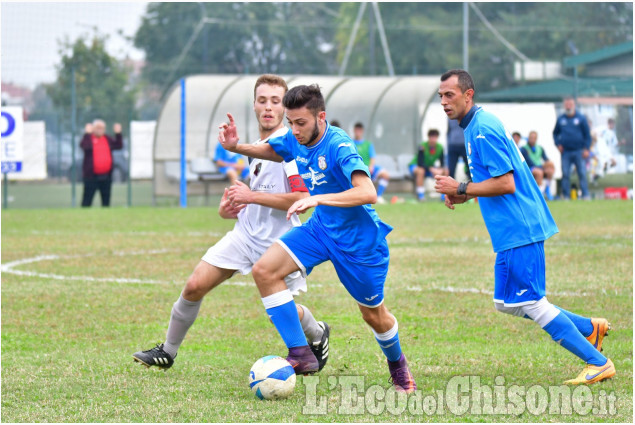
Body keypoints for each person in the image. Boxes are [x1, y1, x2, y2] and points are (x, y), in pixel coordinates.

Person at [218, 84, 416, 393]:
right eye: (291, 122)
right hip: (321, 229)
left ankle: (399, 368)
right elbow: (274, 149)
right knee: (265, 271)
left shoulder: (338, 145)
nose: (294, 130)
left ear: (320, 117)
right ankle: (301, 352)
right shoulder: (293, 137)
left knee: (373, 315)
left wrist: (319, 199)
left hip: (359, 242)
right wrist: (236, 147)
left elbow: (368, 192)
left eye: (301, 123)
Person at [133, 75, 330, 372]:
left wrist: (251, 196)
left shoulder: (288, 146)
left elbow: (299, 198)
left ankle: (317, 332)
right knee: (194, 285)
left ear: (285, 107)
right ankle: (168, 351)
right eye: (262, 100)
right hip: (244, 236)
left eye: (276, 101)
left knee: (282, 311)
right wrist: (235, 209)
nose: (268, 107)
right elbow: (257, 196)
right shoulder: (258, 146)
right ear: (254, 105)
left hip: (279, 242)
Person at [435, 69, 615, 385]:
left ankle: (598, 362)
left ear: (468, 94)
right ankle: (590, 328)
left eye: (449, 95)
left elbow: (506, 183)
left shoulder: (482, 130)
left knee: (531, 301)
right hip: (509, 232)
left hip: (520, 228)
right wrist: (461, 194)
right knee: (506, 303)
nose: (444, 102)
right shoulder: (473, 127)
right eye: (440, 96)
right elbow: (490, 181)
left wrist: (461, 187)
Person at [553, 96, 591, 200]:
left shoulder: (581, 118)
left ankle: (585, 195)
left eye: (570, 104)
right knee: (565, 174)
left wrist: (586, 149)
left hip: (579, 151)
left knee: (582, 173)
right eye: (567, 104)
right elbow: (555, 134)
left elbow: (587, 135)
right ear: (564, 106)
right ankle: (566, 196)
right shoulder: (561, 119)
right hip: (566, 152)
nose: (568, 106)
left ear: (574, 105)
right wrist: (558, 144)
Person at [80, 120, 123, 207]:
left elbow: (119, 146)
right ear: (93, 128)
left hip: (106, 177)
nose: (100, 130)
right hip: (91, 177)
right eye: (97, 128)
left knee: (106, 202)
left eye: (102, 128)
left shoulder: (107, 139)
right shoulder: (89, 139)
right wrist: (87, 134)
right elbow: (84, 146)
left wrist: (118, 133)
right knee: (86, 202)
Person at [352, 122, 390, 204]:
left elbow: (372, 157)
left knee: (385, 175)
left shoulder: (368, 144)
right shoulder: (350, 143)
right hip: (358, 169)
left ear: (362, 131)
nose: (358, 132)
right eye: (356, 130)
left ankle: (379, 196)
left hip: (369, 167)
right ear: (354, 131)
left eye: (360, 130)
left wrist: (371, 166)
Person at [409, 129, 449, 201]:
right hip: (415, 166)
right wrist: (432, 169)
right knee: (421, 171)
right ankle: (421, 196)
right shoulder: (422, 146)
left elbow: (442, 162)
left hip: (428, 168)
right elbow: (420, 163)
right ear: (428, 137)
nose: (433, 139)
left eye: (435, 137)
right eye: (431, 137)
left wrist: (440, 170)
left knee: (445, 171)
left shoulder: (440, 147)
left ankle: (443, 196)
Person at [520, 131, 556, 200]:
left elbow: (545, 158)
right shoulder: (524, 149)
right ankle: (538, 193)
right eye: (531, 138)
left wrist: (548, 164)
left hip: (539, 167)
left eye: (534, 138)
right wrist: (541, 167)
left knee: (550, 167)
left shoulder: (540, 148)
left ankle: (547, 188)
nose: (532, 140)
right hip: (530, 168)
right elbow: (528, 162)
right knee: (539, 172)